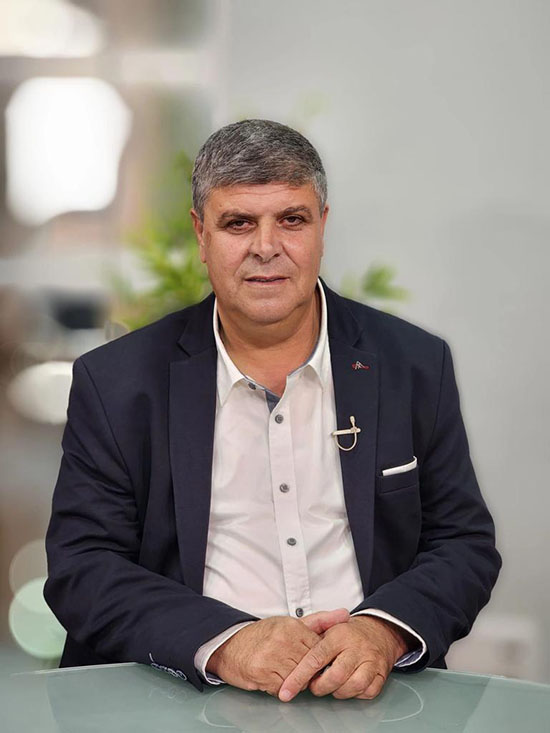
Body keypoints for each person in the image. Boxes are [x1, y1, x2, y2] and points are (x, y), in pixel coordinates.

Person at [44, 119, 501, 702]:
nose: (266, 246)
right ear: (201, 234)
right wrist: (227, 642)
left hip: (367, 695)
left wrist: (382, 632)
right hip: (187, 693)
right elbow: (83, 567)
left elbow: (463, 543)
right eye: (238, 223)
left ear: (322, 226)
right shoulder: (117, 382)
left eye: (291, 219)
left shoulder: (413, 364)